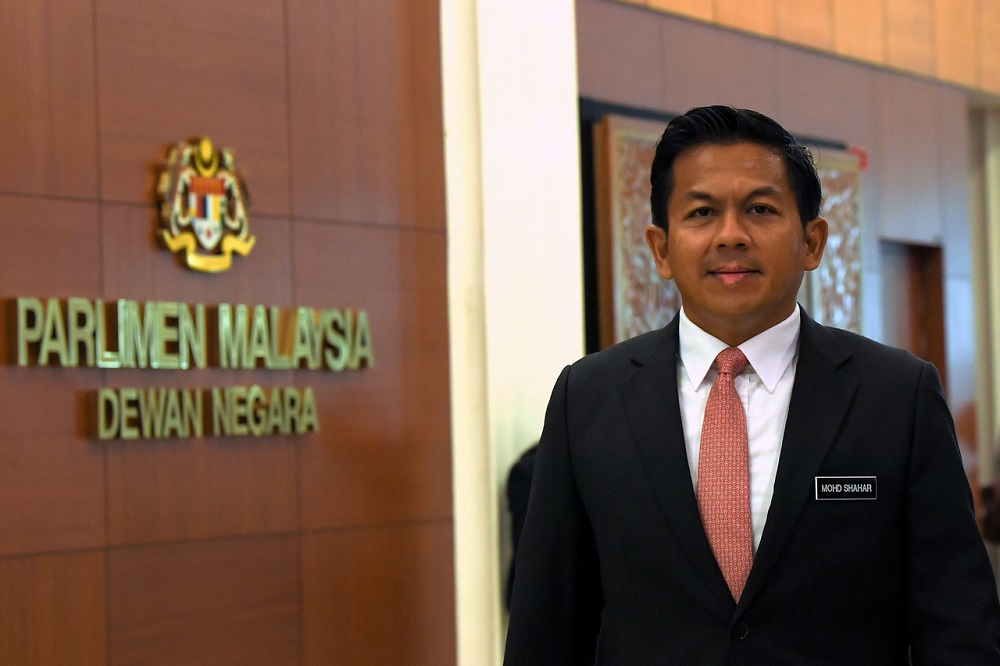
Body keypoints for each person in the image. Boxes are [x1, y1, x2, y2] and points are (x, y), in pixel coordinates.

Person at [504, 105, 1000, 664]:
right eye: (701, 213)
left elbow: (959, 627)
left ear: (812, 242)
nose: (731, 235)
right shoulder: (588, 398)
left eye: (760, 209)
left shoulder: (897, 395)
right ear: (661, 249)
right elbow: (544, 630)